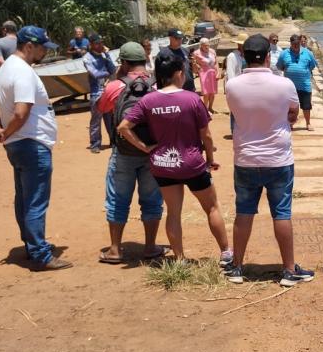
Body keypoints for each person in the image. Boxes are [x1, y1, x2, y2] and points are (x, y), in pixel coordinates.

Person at [117, 51, 232, 264]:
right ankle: (226, 253)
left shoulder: (148, 100)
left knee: (173, 212)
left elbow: (123, 127)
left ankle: (179, 259)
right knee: (212, 207)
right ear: (179, 73)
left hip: (163, 164)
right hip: (192, 163)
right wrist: (209, 158)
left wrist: (146, 148)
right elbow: (206, 135)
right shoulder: (191, 99)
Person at [225, 34, 314, 287]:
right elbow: (293, 113)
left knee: (243, 213)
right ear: (267, 56)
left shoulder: (232, 86)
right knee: (282, 214)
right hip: (278, 159)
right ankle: (288, 270)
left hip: (245, 158)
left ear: (244, 55)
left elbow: (236, 112)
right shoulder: (284, 84)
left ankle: (237, 267)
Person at [0, 26, 72, 270]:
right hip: (31, 143)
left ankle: (30, 245)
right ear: (29, 47)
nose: (45, 53)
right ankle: (40, 254)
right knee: (36, 200)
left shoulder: (6, 68)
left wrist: (6, 131)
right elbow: (21, 111)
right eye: (42, 48)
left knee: (24, 198)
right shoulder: (23, 72)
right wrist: (7, 131)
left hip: (20, 143)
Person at [96, 42, 164, 264]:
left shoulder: (115, 86)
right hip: (153, 152)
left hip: (124, 152)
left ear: (124, 63)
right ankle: (151, 247)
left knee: (117, 199)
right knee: (152, 200)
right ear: (145, 60)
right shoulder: (157, 85)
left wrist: (116, 78)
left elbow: (102, 109)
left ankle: (115, 249)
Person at [276, 33, 317, 131]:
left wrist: (302, 71)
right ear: (290, 43)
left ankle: (308, 123)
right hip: (289, 86)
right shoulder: (284, 53)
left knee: (306, 106)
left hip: (304, 85)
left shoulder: (308, 53)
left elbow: (312, 65)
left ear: (300, 42)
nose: (295, 46)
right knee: (290, 107)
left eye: (297, 44)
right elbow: (280, 66)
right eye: (293, 44)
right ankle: (290, 124)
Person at [84, 33, 115, 153]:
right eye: (97, 43)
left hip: (107, 91)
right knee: (96, 120)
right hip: (96, 93)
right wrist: (107, 73)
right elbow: (95, 74)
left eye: (101, 42)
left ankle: (113, 141)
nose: (100, 45)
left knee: (110, 119)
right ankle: (95, 144)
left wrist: (107, 54)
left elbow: (112, 69)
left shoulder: (103, 56)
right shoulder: (87, 58)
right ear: (91, 45)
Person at [225, 33, 247, 134]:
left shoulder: (246, 56)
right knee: (235, 109)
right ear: (239, 45)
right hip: (236, 87)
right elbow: (230, 74)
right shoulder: (232, 56)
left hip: (245, 87)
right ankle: (234, 130)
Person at [162, 28, 194, 92]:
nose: (180, 41)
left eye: (181, 38)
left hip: (189, 88)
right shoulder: (163, 54)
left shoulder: (185, 50)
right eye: (177, 38)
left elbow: (191, 68)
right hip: (174, 90)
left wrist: (194, 65)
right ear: (170, 38)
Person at [193, 37, 218, 113]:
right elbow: (193, 63)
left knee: (212, 92)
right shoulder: (196, 53)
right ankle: (205, 109)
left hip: (213, 73)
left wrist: (218, 73)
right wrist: (196, 66)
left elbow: (216, 62)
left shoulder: (212, 51)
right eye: (205, 45)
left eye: (208, 45)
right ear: (201, 45)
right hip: (204, 73)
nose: (207, 47)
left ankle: (210, 107)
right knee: (206, 92)